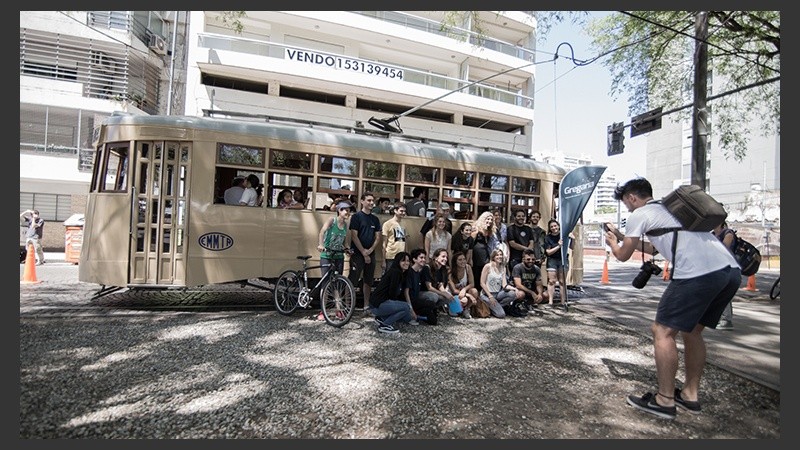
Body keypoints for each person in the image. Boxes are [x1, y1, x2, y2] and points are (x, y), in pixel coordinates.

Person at [604, 177, 740, 420]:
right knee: (692, 332)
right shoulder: (669, 211)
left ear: (632, 198)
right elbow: (656, 246)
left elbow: (623, 255)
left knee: (662, 331)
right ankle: (689, 395)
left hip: (698, 273)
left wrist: (614, 243)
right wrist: (621, 233)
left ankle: (665, 400)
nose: (627, 208)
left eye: (626, 203)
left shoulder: (640, 213)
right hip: (729, 271)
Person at [348, 192, 382, 311]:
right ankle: (348, 305)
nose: (371, 203)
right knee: (353, 279)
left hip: (370, 253)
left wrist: (370, 250)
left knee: (368, 280)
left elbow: (378, 237)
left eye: (373, 200)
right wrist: (363, 252)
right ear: (362, 201)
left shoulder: (375, 219)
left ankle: (366, 306)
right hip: (357, 253)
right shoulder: (356, 217)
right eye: (368, 200)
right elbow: (354, 235)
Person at [369, 252, 416, 334]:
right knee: (406, 307)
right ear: (398, 261)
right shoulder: (396, 273)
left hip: (377, 304)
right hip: (379, 304)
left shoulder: (399, 272)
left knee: (407, 316)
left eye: (408, 261)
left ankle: (381, 318)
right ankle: (385, 325)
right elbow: (392, 292)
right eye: (403, 261)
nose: (406, 263)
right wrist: (399, 305)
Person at [404, 248, 440, 325]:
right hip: (409, 301)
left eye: (424, 258)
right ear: (414, 259)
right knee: (431, 304)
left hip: (416, 299)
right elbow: (406, 293)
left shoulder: (418, 272)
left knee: (433, 321)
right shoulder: (409, 273)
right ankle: (410, 315)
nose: (423, 260)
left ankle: (419, 315)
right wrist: (411, 309)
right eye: (421, 258)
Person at [712, 221, 737, 330]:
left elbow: (724, 248)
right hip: (715, 267)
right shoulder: (712, 234)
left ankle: (726, 320)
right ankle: (718, 318)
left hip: (728, 267)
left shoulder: (728, 233)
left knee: (723, 292)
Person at [479, 249, 517, 318]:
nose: (500, 257)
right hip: (487, 294)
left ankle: (497, 306)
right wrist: (490, 296)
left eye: (501, 255)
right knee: (501, 315)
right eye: (497, 255)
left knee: (512, 294)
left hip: (498, 293)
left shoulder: (503, 268)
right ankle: (492, 307)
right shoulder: (488, 266)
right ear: (493, 257)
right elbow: (482, 283)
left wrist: (514, 289)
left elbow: (504, 285)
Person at [317, 201, 352, 277]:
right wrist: (321, 245)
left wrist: (347, 249)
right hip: (327, 254)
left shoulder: (346, 225)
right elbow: (322, 232)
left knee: (338, 279)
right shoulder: (332, 220)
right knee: (326, 279)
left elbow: (345, 242)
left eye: (349, 211)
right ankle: (323, 289)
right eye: (346, 210)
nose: (348, 213)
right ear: (339, 210)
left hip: (339, 255)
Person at [544, 219, 572, 306]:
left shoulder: (564, 235)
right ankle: (550, 301)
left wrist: (572, 239)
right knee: (551, 281)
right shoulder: (548, 238)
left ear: (559, 226)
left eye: (555, 226)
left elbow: (572, 247)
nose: (554, 228)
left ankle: (563, 301)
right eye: (551, 226)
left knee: (562, 281)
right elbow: (548, 252)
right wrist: (558, 246)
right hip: (552, 260)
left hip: (563, 259)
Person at [448, 250, 479, 319]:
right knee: (454, 314)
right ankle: (455, 308)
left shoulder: (468, 268)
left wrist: (464, 289)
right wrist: (468, 295)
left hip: (462, 293)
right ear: (455, 261)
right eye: (460, 260)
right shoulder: (450, 272)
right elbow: (454, 291)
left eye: (464, 259)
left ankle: (466, 309)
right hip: (453, 296)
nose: (463, 261)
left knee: (474, 291)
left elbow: (472, 283)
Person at [471, 211, 496, 289]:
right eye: (487, 219)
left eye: (491, 220)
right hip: (476, 257)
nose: (489, 221)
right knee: (476, 275)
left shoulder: (489, 231)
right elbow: (471, 243)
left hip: (485, 256)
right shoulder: (476, 229)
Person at [507, 209, 536, 274]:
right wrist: (526, 249)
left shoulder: (528, 229)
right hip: (515, 258)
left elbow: (531, 242)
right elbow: (512, 244)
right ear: (515, 217)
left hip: (527, 259)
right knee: (516, 277)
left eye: (523, 216)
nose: (521, 218)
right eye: (519, 216)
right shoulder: (511, 229)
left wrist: (528, 252)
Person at [381, 202, 407, 274]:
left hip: (401, 257)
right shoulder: (387, 224)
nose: (403, 213)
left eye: (404, 211)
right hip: (391, 256)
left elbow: (404, 241)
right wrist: (383, 260)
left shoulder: (403, 224)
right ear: (395, 210)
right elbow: (384, 243)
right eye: (401, 211)